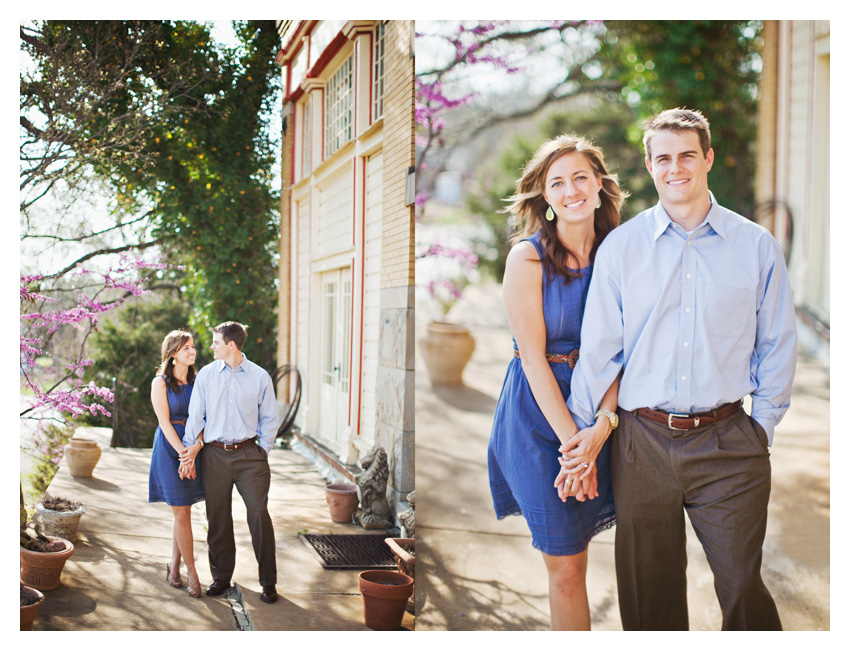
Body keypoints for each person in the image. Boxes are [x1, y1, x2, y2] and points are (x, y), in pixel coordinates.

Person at [568, 108, 797, 630]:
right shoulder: (621, 249)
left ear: (708, 158)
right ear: (650, 166)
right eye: (664, 157)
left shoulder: (755, 245)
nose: (677, 168)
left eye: (687, 154)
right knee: (650, 599)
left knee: (741, 585)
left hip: (728, 442)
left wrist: (761, 425)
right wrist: (586, 437)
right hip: (641, 442)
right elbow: (601, 347)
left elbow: (778, 342)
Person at [487, 134, 625, 630]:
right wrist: (574, 448)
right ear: (544, 196)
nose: (571, 191)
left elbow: (618, 352)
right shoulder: (528, 259)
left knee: (580, 556)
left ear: (599, 185)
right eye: (558, 182)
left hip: (597, 413)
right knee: (565, 566)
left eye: (580, 178)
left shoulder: (619, 251)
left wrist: (601, 430)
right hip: (538, 419)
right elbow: (533, 361)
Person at [180, 321, 280, 604]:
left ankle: (268, 582)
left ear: (231, 345)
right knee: (218, 518)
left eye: (215, 342)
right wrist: (191, 452)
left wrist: (264, 449)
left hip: (251, 457)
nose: (210, 347)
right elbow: (196, 415)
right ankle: (221, 577)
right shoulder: (207, 376)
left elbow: (269, 417)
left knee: (259, 513)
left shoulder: (260, 377)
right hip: (215, 456)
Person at [148, 330, 205, 598]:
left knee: (183, 513)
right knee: (181, 513)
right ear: (172, 355)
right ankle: (192, 571)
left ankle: (174, 565)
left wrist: (196, 448)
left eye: (193, 347)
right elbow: (163, 422)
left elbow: (206, 418)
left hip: (194, 446)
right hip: (170, 449)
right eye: (186, 348)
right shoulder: (159, 383)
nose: (192, 352)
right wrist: (184, 454)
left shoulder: (200, 381)